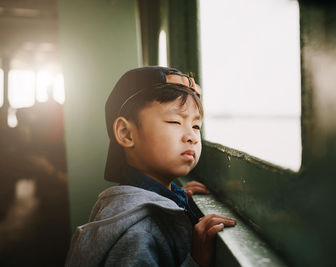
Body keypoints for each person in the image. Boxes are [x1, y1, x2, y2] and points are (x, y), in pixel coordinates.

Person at [66, 66, 236, 267]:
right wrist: (196, 262)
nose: (191, 136)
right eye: (174, 121)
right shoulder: (138, 233)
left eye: (196, 126)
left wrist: (172, 196)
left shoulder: (139, 202)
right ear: (126, 133)